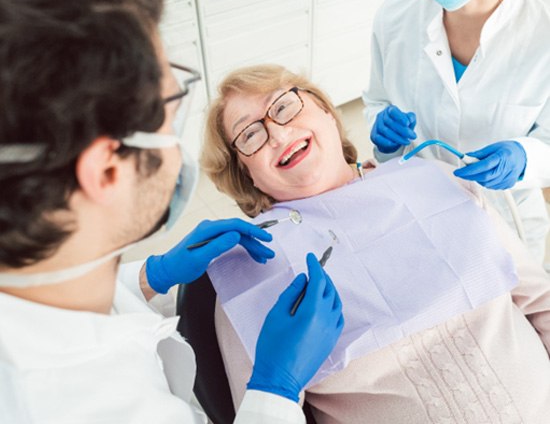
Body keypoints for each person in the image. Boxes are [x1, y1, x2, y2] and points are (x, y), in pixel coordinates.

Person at [0, 0, 344, 423]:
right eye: (170, 105)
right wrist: (275, 392)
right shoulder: (65, 404)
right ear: (107, 170)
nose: (277, 133)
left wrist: (150, 276)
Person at [201, 64, 550, 423]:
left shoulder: (440, 181)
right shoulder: (253, 269)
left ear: (324, 110)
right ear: (246, 174)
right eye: (249, 135)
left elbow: (542, 302)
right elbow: (261, 409)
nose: (276, 133)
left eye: (284, 106)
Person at [363, 0, 550, 263]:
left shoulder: (543, 32)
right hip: (417, 210)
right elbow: (378, 99)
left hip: (506, 223)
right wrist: (382, 129)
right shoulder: (394, 17)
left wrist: (524, 158)